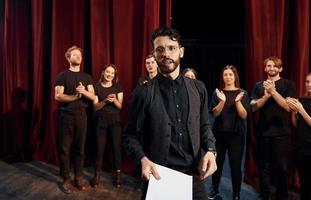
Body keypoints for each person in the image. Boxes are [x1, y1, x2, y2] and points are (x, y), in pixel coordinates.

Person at [123, 26, 217, 200]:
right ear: (154, 54)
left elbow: (204, 126)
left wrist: (211, 150)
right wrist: (142, 159)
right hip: (159, 176)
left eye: (172, 48)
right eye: (160, 49)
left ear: (181, 52)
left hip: (193, 176)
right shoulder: (143, 92)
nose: (166, 54)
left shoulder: (198, 88)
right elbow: (129, 136)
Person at [250, 56, 296, 200]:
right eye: (268, 66)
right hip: (263, 133)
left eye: (274, 66)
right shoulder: (258, 86)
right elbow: (252, 107)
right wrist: (265, 96)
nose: (271, 68)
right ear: (265, 68)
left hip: (282, 133)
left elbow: (288, 108)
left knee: (282, 168)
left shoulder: (288, 84)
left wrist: (273, 92)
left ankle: (282, 196)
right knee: (264, 167)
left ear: (280, 69)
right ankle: (264, 196)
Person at [54, 45, 95, 194]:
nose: (78, 57)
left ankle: (78, 177)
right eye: (74, 55)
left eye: (79, 55)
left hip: (81, 117)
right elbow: (58, 96)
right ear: (68, 58)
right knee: (65, 149)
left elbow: (93, 97)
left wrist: (84, 92)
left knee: (80, 149)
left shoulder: (86, 77)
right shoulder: (62, 76)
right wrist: (74, 97)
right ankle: (65, 179)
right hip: (66, 117)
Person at [208, 65, 248, 200]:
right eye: (225, 74)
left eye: (231, 74)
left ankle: (236, 193)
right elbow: (214, 113)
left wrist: (237, 102)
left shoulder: (242, 93)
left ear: (235, 76)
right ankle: (214, 189)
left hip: (236, 135)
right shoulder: (218, 93)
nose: (228, 77)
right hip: (219, 134)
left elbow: (243, 115)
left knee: (235, 165)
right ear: (222, 77)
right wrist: (222, 101)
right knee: (217, 163)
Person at [90, 64, 124, 188]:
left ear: (114, 76)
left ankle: (118, 175)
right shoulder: (96, 87)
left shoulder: (118, 87)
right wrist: (105, 101)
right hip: (100, 121)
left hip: (115, 121)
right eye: (108, 72)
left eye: (112, 73)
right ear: (103, 72)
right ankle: (97, 175)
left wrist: (114, 100)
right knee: (99, 149)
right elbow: (95, 106)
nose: (110, 75)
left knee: (116, 149)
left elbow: (120, 106)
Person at [286, 73, 311, 200]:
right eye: (307, 82)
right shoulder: (302, 100)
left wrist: (301, 110)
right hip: (301, 147)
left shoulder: (302, 105)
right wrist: (294, 113)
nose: (309, 85)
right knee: (304, 182)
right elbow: (296, 125)